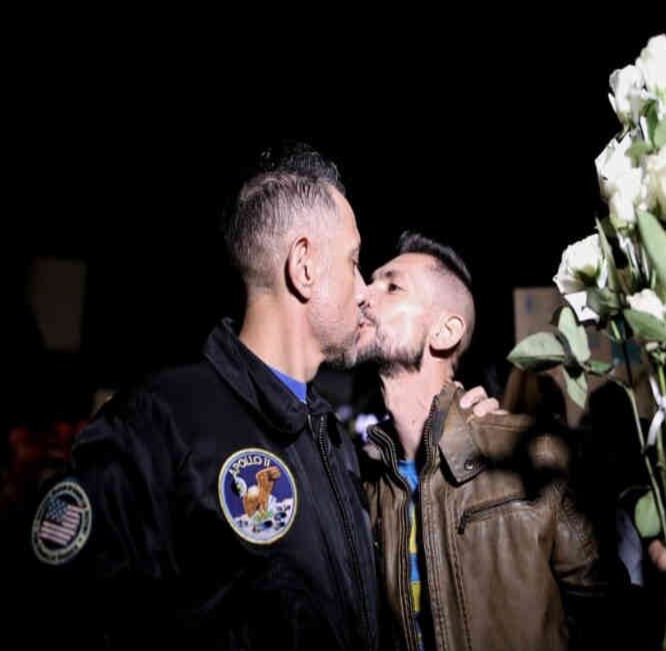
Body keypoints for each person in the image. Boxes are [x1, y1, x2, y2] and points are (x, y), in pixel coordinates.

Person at [29, 146, 493, 650]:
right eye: (355, 262)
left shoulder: (332, 439)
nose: (363, 290)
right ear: (304, 267)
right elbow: (60, 610)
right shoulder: (158, 423)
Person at [358, 232, 666, 650]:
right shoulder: (361, 481)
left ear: (445, 332)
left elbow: (613, 620)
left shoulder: (531, 459)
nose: (363, 295)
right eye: (370, 281)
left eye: (391, 285)